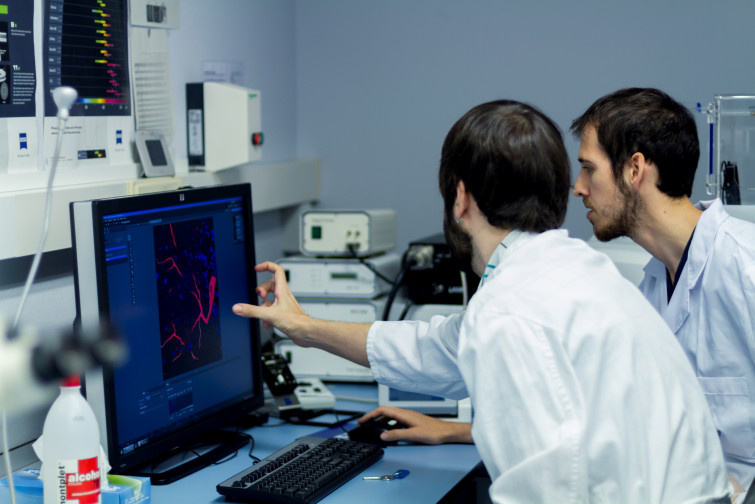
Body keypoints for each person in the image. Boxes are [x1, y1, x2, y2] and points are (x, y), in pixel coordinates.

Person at [234, 100, 730, 502]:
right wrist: (302, 327)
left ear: (460, 198)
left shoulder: (511, 309)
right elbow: (432, 348)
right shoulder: (568, 269)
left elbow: (543, 490)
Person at [570, 87, 755, 498]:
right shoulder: (653, 288)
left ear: (634, 169)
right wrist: (461, 432)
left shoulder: (746, 267)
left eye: (588, 168)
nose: (578, 187)